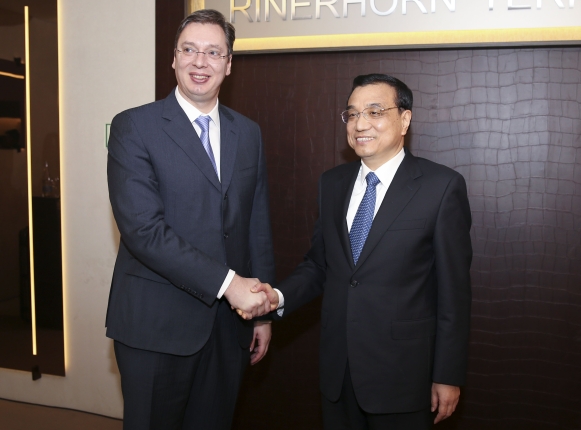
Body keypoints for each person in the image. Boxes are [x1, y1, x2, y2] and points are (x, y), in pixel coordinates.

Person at [248, 74, 472, 429]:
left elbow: (454, 293)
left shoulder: (441, 187)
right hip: (338, 373)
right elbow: (320, 265)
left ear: (405, 120)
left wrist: (447, 374)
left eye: (374, 111)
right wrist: (277, 297)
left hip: (404, 376)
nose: (360, 124)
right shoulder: (332, 183)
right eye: (352, 114)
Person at [106, 9, 275, 430]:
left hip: (228, 329)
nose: (201, 62)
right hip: (155, 328)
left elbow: (256, 225)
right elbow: (143, 231)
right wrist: (230, 285)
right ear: (174, 57)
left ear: (229, 64)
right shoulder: (133, 127)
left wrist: (261, 312)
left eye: (214, 52)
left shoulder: (248, 132)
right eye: (190, 50)